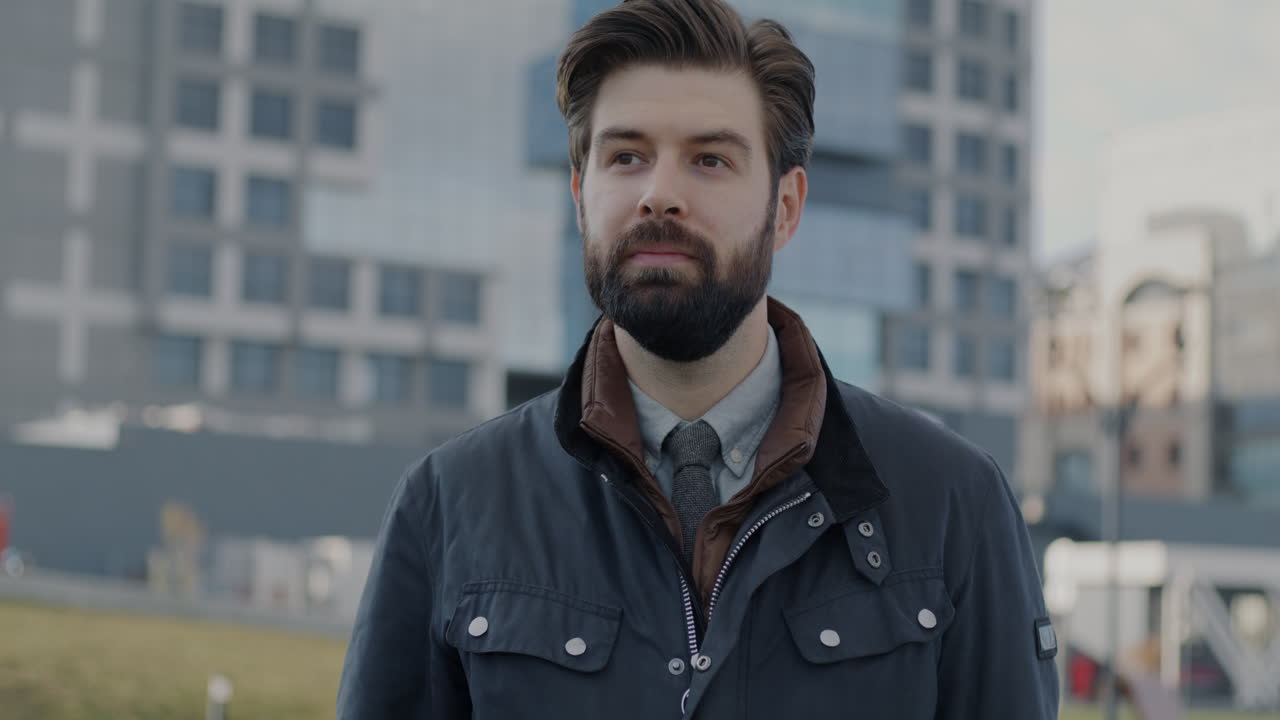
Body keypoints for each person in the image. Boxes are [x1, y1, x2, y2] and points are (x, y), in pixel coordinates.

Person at [337, 1, 1060, 717]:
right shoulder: (448, 504)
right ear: (582, 198)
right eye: (627, 157)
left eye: (710, 159)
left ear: (785, 208)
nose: (660, 195)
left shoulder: (953, 503)